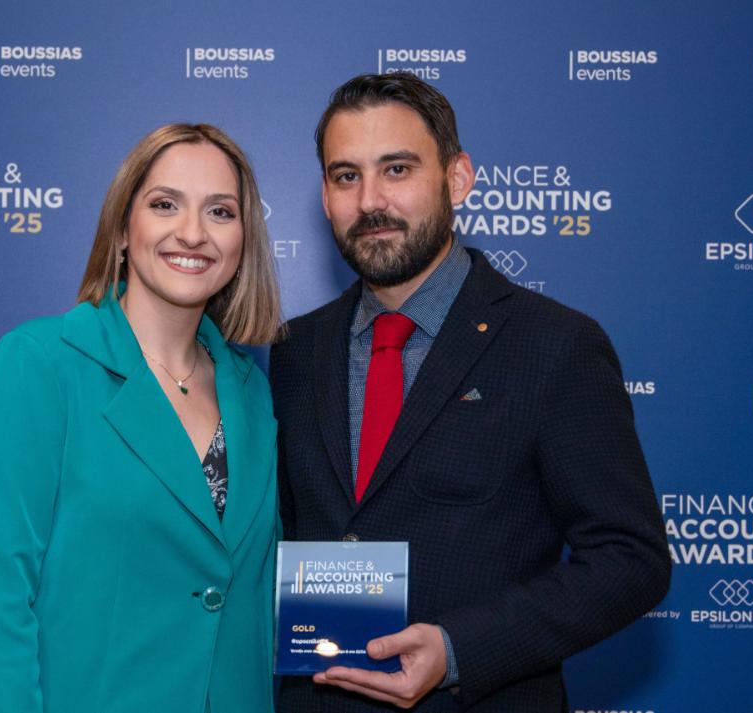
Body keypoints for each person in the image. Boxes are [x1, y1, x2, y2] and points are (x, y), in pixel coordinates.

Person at [269, 73, 671, 712]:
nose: (370, 200)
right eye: (346, 176)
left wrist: (459, 649)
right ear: (324, 195)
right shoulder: (295, 350)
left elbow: (631, 559)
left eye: (396, 169)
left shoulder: (555, 344)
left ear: (457, 179)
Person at [0, 123, 283, 713]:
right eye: (165, 204)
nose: (193, 232)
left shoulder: (253, 390)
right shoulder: (41, 364)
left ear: (243, 241)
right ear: (123, 230)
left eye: (220, 212)